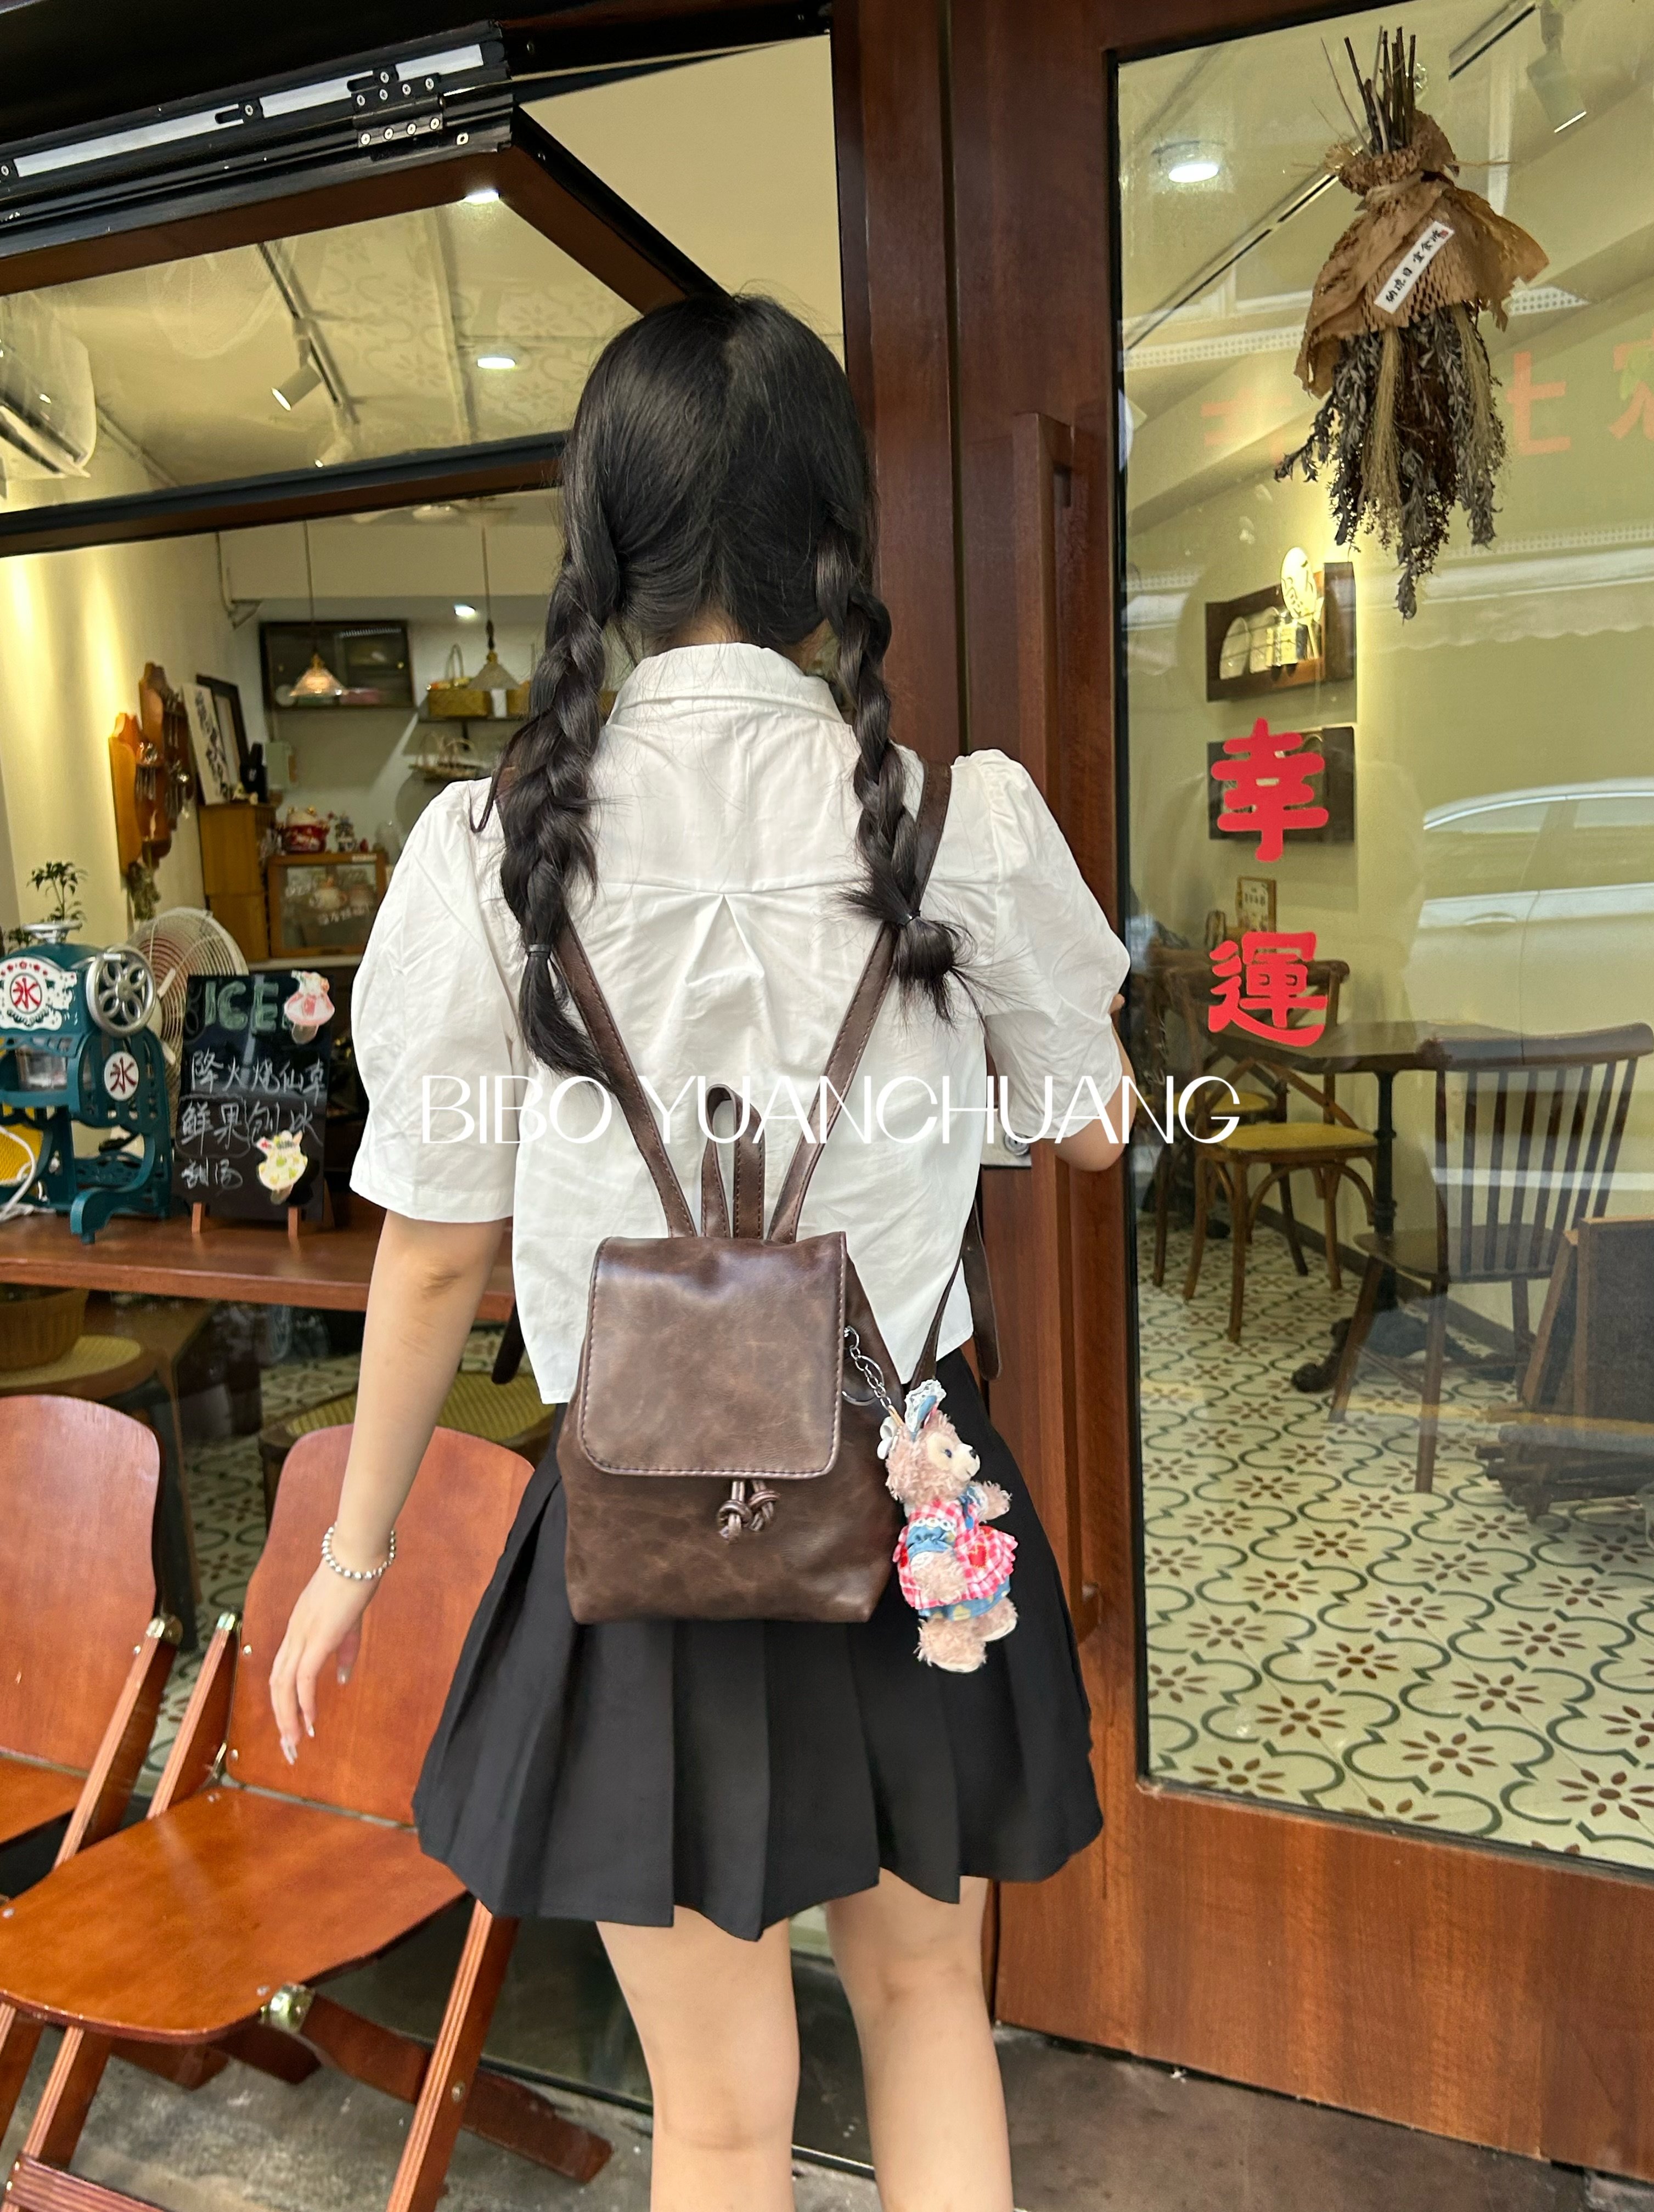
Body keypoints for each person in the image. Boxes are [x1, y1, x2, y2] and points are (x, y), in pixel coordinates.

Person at [270, 294, 1130, 2212]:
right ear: (835, 532)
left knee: (723, 2116)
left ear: (605, 538)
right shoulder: (957, 820)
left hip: (639, 1532)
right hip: (911, 1500)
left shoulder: (488, 851)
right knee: (928, 2013)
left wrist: (351, 1560)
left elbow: (433, 1258)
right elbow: (1088, 1128)